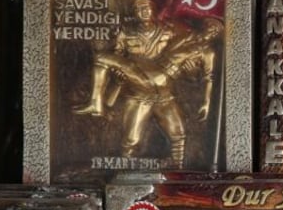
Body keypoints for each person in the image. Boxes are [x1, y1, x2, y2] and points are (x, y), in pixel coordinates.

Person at [74, 15, 221, 167]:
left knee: (178, 134)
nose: (210, 31)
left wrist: (206, 102)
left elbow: (207, 77)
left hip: (164, 92)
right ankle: (123, 168)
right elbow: (165, 53)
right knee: (131, 140)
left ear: (215, 36)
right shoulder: (184, 37)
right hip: (145, 79)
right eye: (209, 27)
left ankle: (178, 169)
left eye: (214, 31)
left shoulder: (208, 52)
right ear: (203, 27)